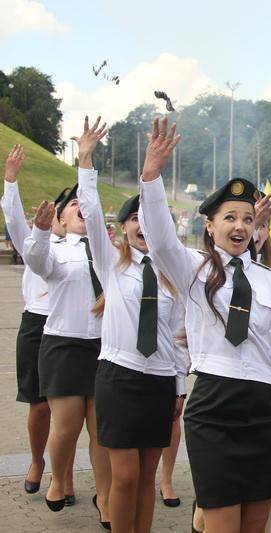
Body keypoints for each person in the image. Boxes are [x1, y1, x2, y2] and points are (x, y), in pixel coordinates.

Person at [138, 117, 271, 533]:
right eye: (229, 217)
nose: (239, 226)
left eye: (247, 219)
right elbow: (160, 239)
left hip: (265, 408)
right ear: (210, 225)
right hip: (215, 406)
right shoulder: (194, 268)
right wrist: (151, 175)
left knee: (255, 526)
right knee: (223, 522)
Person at [72, 116, 189, 533]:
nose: (142, 225)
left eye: (147, 217)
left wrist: (178, 386)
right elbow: (89, 211)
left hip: (159, 382)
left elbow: (178, 339)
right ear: (122, 228)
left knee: (145, 478)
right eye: (133, 218)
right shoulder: (111, 264)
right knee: (123, 476)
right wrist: (86, 160)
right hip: (119, 377)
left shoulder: (174, 274)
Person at [22, 162, 111, 516]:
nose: (81, 207)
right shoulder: (56, 250)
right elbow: (35, 259)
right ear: (62, 218)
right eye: (74, 205)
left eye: (84, 203)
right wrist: (41, 232)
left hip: (103, 348)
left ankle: (105, 497)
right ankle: (58, 478)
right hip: (64, 346)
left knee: (101, 430)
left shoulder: (108, 252)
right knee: (67, 427)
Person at [1, 146, 76, 502]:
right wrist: (11, 180)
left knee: (70, 410)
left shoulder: (86, 248)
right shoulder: (36, 244)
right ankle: (36, 461)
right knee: (40, 404)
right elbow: (16, 222)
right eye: (68, 208)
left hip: (71, 328)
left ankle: (65, 477)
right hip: (37, 324)